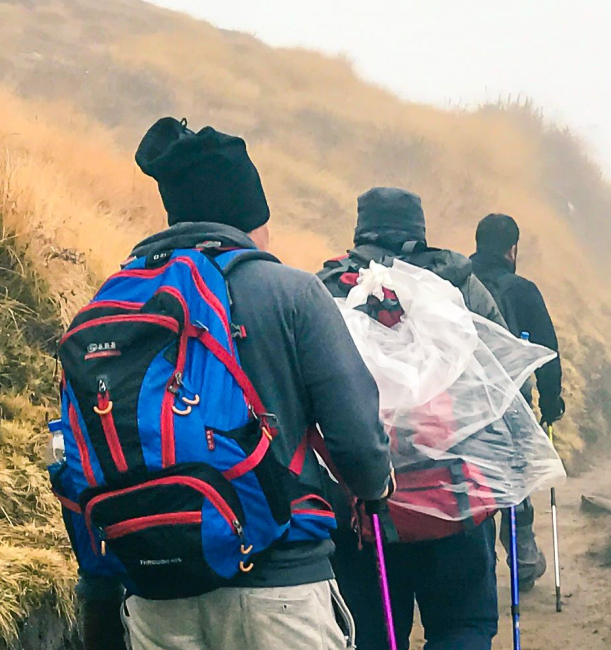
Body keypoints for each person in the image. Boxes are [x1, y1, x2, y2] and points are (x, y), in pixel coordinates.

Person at [72, 118, 395, 650]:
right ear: (250, 218)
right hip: (279, 587)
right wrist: (374, 487)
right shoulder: (292, 292)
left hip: (156, 592)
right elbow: (356, 439)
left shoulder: (113, 305)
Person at [322, 188, 510, 650]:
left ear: (359, 231)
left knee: (373, 634)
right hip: (455, 499)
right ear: (420, 230)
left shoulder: (328, 291)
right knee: (461, 627)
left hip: (360, 507)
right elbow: (503, 388)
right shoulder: (462, 287)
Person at [470, 213, 561, 589]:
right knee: (514, 476)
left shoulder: (454, 281)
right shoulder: (523, 290)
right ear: (512, 249)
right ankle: (523, 561)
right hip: (512, 402)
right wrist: (551, 401)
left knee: (473, 479)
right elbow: (547, 350)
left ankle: (475, 567)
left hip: (464, 403)